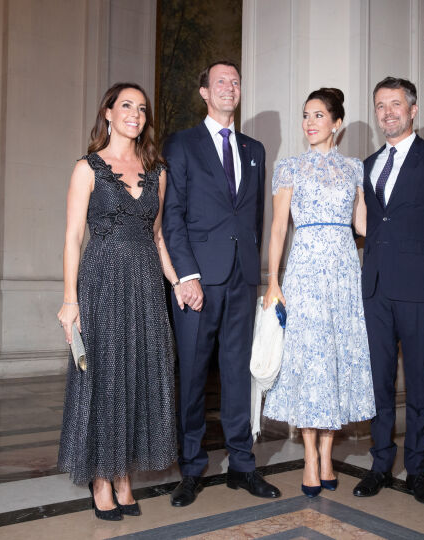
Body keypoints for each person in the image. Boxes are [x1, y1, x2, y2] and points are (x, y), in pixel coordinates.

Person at [56, 83, 179, 521]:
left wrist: (177, 282)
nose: (135, 113)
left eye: (142, 108)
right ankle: (102, 478)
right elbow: (73, 237)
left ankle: (123, 472)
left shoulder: (157, 172)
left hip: (146, 284)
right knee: (105, 377)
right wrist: (70, 300)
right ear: (107, 112)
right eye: (126, 105)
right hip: (102, 280)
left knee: (139, 376)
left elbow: (158, 237)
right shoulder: (87, 168)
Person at [162, 60, 279, 507]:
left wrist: (262, 274)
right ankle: (191, 468)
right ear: (204, 92)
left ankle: (242, 465)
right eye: (220, 82)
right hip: (197, 281)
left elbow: (252, 217)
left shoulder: (255, 148)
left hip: (242, 278)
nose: (229, 88)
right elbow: (172, 215)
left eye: (235, 81)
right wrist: (185, 276)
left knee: (237, 373)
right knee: (192, 374)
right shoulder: (183, 144)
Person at [354, 77, 424, 505]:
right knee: (378, 383)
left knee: (419, 382)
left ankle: (417, 468)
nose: (387, 112)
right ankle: (380, 463)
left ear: (413, 110)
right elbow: (369, 226)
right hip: (377, 289)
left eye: (395, 104)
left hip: (422, 289)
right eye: (380, 105)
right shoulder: (367, 164)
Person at [262, 88, 376, 498]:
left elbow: (363, 225)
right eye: (305, 115)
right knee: (310, 364)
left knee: (336, 363)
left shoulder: (354, 169)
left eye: (318, 115)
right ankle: (310, 456)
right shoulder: (289, 167)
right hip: (305, 273)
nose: (309, 123)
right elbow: (278, 228)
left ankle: (328, 453)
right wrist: (273, 281)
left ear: (336, 123)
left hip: (345, 273)